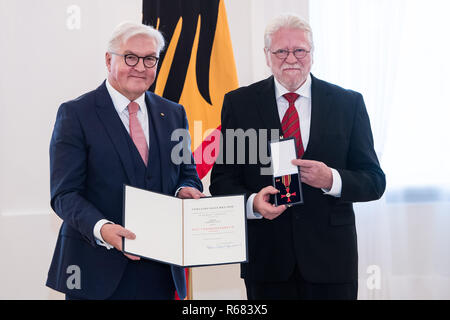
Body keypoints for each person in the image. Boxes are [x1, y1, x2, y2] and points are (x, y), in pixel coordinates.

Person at [210, 14, 386, 300]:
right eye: (281, 51)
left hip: (331, 263)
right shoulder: (239, 104)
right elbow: (222, 181)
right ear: (267, 56)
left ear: (312, 54)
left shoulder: (348, 104)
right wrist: (253, 203)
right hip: (267, 262)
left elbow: (374, 181)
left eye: (300, 50)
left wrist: (332, 179)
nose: (291, 58)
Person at [46, 21, 204, 300]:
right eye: (130, 57)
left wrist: (185, 191)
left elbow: (187, 173)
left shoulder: (174, 113)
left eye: (149, 59)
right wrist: (103, 230)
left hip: (160, 273)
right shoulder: (75, 114)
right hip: (95, 271)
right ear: (109, 60)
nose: (141, 67)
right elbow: (64, 194)